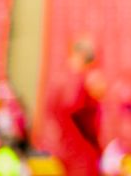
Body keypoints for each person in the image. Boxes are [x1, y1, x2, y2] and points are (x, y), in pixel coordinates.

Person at [48, 37, 105, 176]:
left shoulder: (59, 79)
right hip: (80, 151)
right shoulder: (80, 80)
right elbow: (73, 107)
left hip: (64, 149)